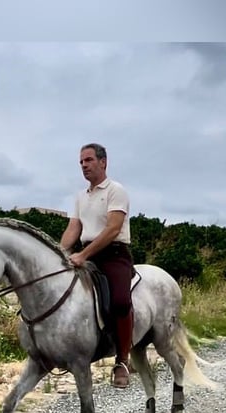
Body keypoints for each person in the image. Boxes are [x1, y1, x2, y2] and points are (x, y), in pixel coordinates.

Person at [60, 143, 134, 389]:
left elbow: (113, 228)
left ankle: (122, 360)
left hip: (114, 254)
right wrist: (59, 254)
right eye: (81, 162)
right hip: (87, 254)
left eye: (89, 160)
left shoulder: (116, 190)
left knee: (121, 302)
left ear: (103, 162)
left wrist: (83, 255)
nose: (84, 165)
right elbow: (74, 228)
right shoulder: (81, 197)